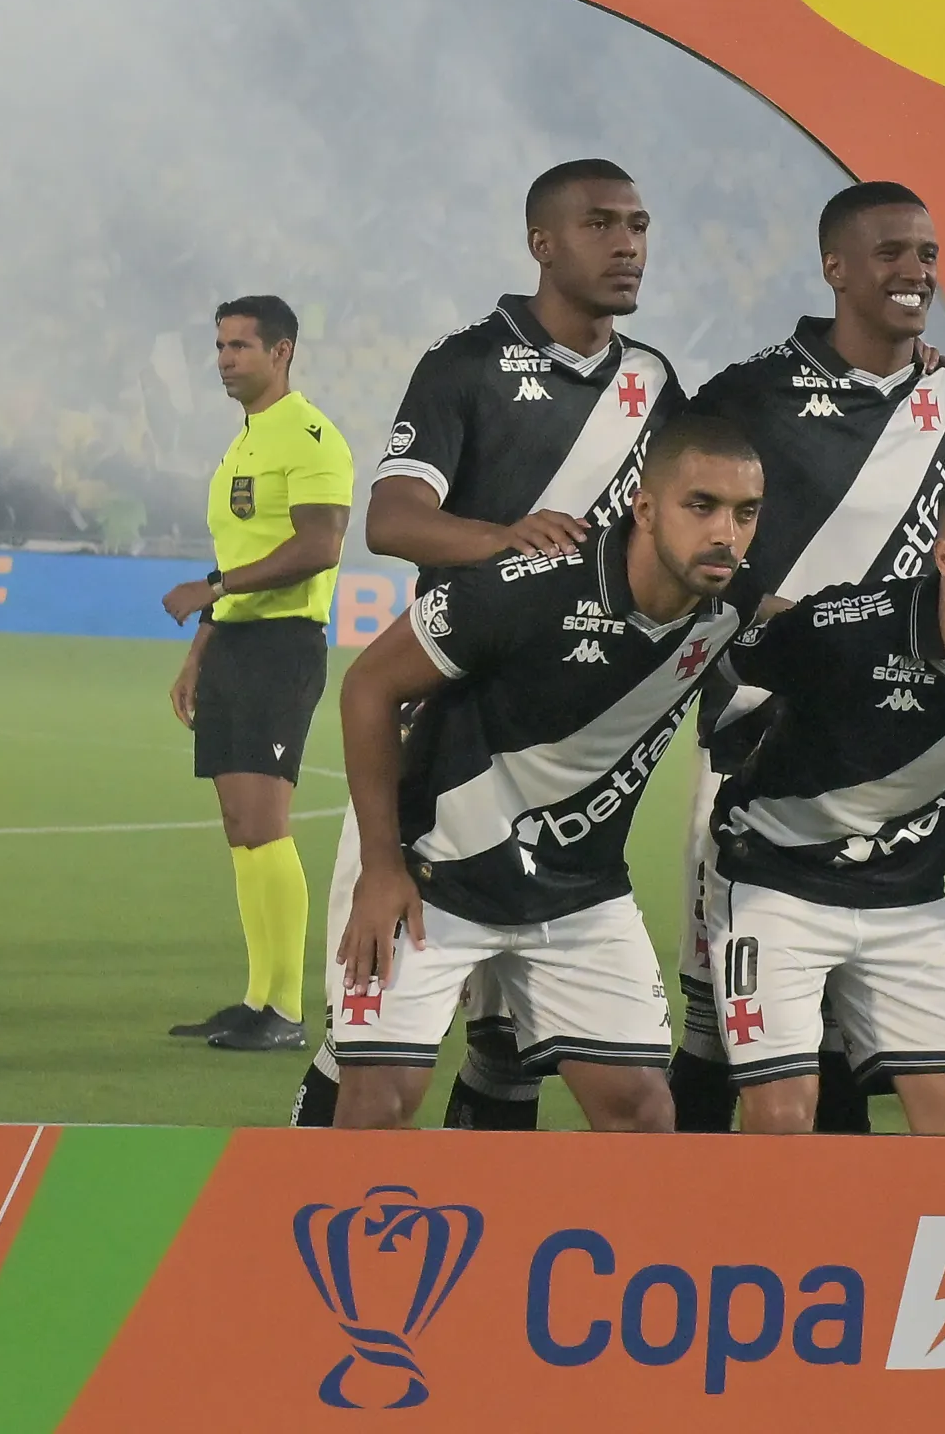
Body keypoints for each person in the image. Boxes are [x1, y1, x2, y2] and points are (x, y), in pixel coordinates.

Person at [292, 157, 684, 1129]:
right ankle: (286, 1222)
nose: (628, 241)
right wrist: (502, 541)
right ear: (542, 242)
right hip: (447, 720)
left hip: (565, 740)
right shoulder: (467, 363)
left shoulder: (654, 380)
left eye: (637, 223)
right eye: (600, 223)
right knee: (371, 1055)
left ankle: (497, 1259)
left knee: (514, 1046)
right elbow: (392, 515)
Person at [680, 181, 945, 1129]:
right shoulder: (748, 394)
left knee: (853, 1038)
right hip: (758, 746)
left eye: (926, 253)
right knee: (725, 1034)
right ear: (836, 267)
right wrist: (760, 605)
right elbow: (675, 526)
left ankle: (846, 1250)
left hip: (893, 759)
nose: (916, 271)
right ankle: (704, 1235)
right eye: (891, 253)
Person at [327, 416, 762, 1130]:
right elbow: (367, 688)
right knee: (378, 1107)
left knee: (644, 1113)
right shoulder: (523, 588)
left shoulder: (730, 606)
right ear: (645, 510)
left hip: (579, 895)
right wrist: (380, 867)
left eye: (745, 513)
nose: (726, 532)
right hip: (436, 880)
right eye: (702, 505)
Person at [706, 464, 945, 1134]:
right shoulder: (844, 628)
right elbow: (720, 666)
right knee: (782, 1120)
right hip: (776, 885)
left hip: (909, 905)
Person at [160, 297, 353, 1052]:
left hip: (282, 645)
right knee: (241, 828)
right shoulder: (241, 444)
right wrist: (200, 652)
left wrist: (213, 588)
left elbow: (321, 546)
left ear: (283, 353)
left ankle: (287, 1010)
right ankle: (257, 996)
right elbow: (248, 554)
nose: (224, 358)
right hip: (237, 647)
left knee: (266, 826)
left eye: (240, 345)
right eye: (218, 345)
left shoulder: (309, 437)